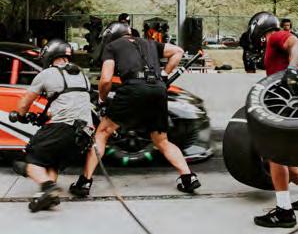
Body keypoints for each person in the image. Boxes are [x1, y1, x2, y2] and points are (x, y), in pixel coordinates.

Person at [70, 22, 201, 197]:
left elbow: (106, 79)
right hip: (158, 89)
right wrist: (164, 74)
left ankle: (84, 182)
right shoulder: (150, 43)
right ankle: (188, 177)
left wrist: (102, 99)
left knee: (102, 133)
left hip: (133, 88)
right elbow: (178, 51)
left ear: (110, 36)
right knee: (161, 140)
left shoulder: (112, 46)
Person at [249, 12, 298, 229]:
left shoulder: (276, 36)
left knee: (275, 154)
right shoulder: (272, 44)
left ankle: (284, 212)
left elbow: (297, 44)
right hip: (285, 103)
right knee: (281, 155)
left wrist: (291, 69)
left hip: (289, 103)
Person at [12, 39, 93, 212]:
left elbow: (24, 103)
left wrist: (20, 115)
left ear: (49, 55)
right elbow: (71, 101)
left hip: (64, 127)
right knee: (51, 160)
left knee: (23, 160)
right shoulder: (81, 74)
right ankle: (50, 195)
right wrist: (46, 116)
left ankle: (48, 187)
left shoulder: (47, 73)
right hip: (84, 134)